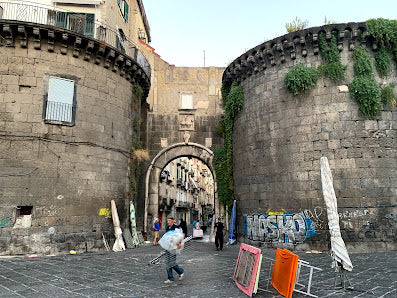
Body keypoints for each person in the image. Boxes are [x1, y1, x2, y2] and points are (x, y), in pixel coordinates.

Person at [164, 215, 184, 284]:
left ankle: (181, 271)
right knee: (167, 263)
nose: (168, 222)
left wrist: (179, 243)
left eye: (169, 221)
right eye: (167, 221)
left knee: (172, 263)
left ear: (173, 221)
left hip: (174, 247)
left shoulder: (176, 227)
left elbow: (180, 236)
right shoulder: (167, 228)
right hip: (168, 247)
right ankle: (170, 278)